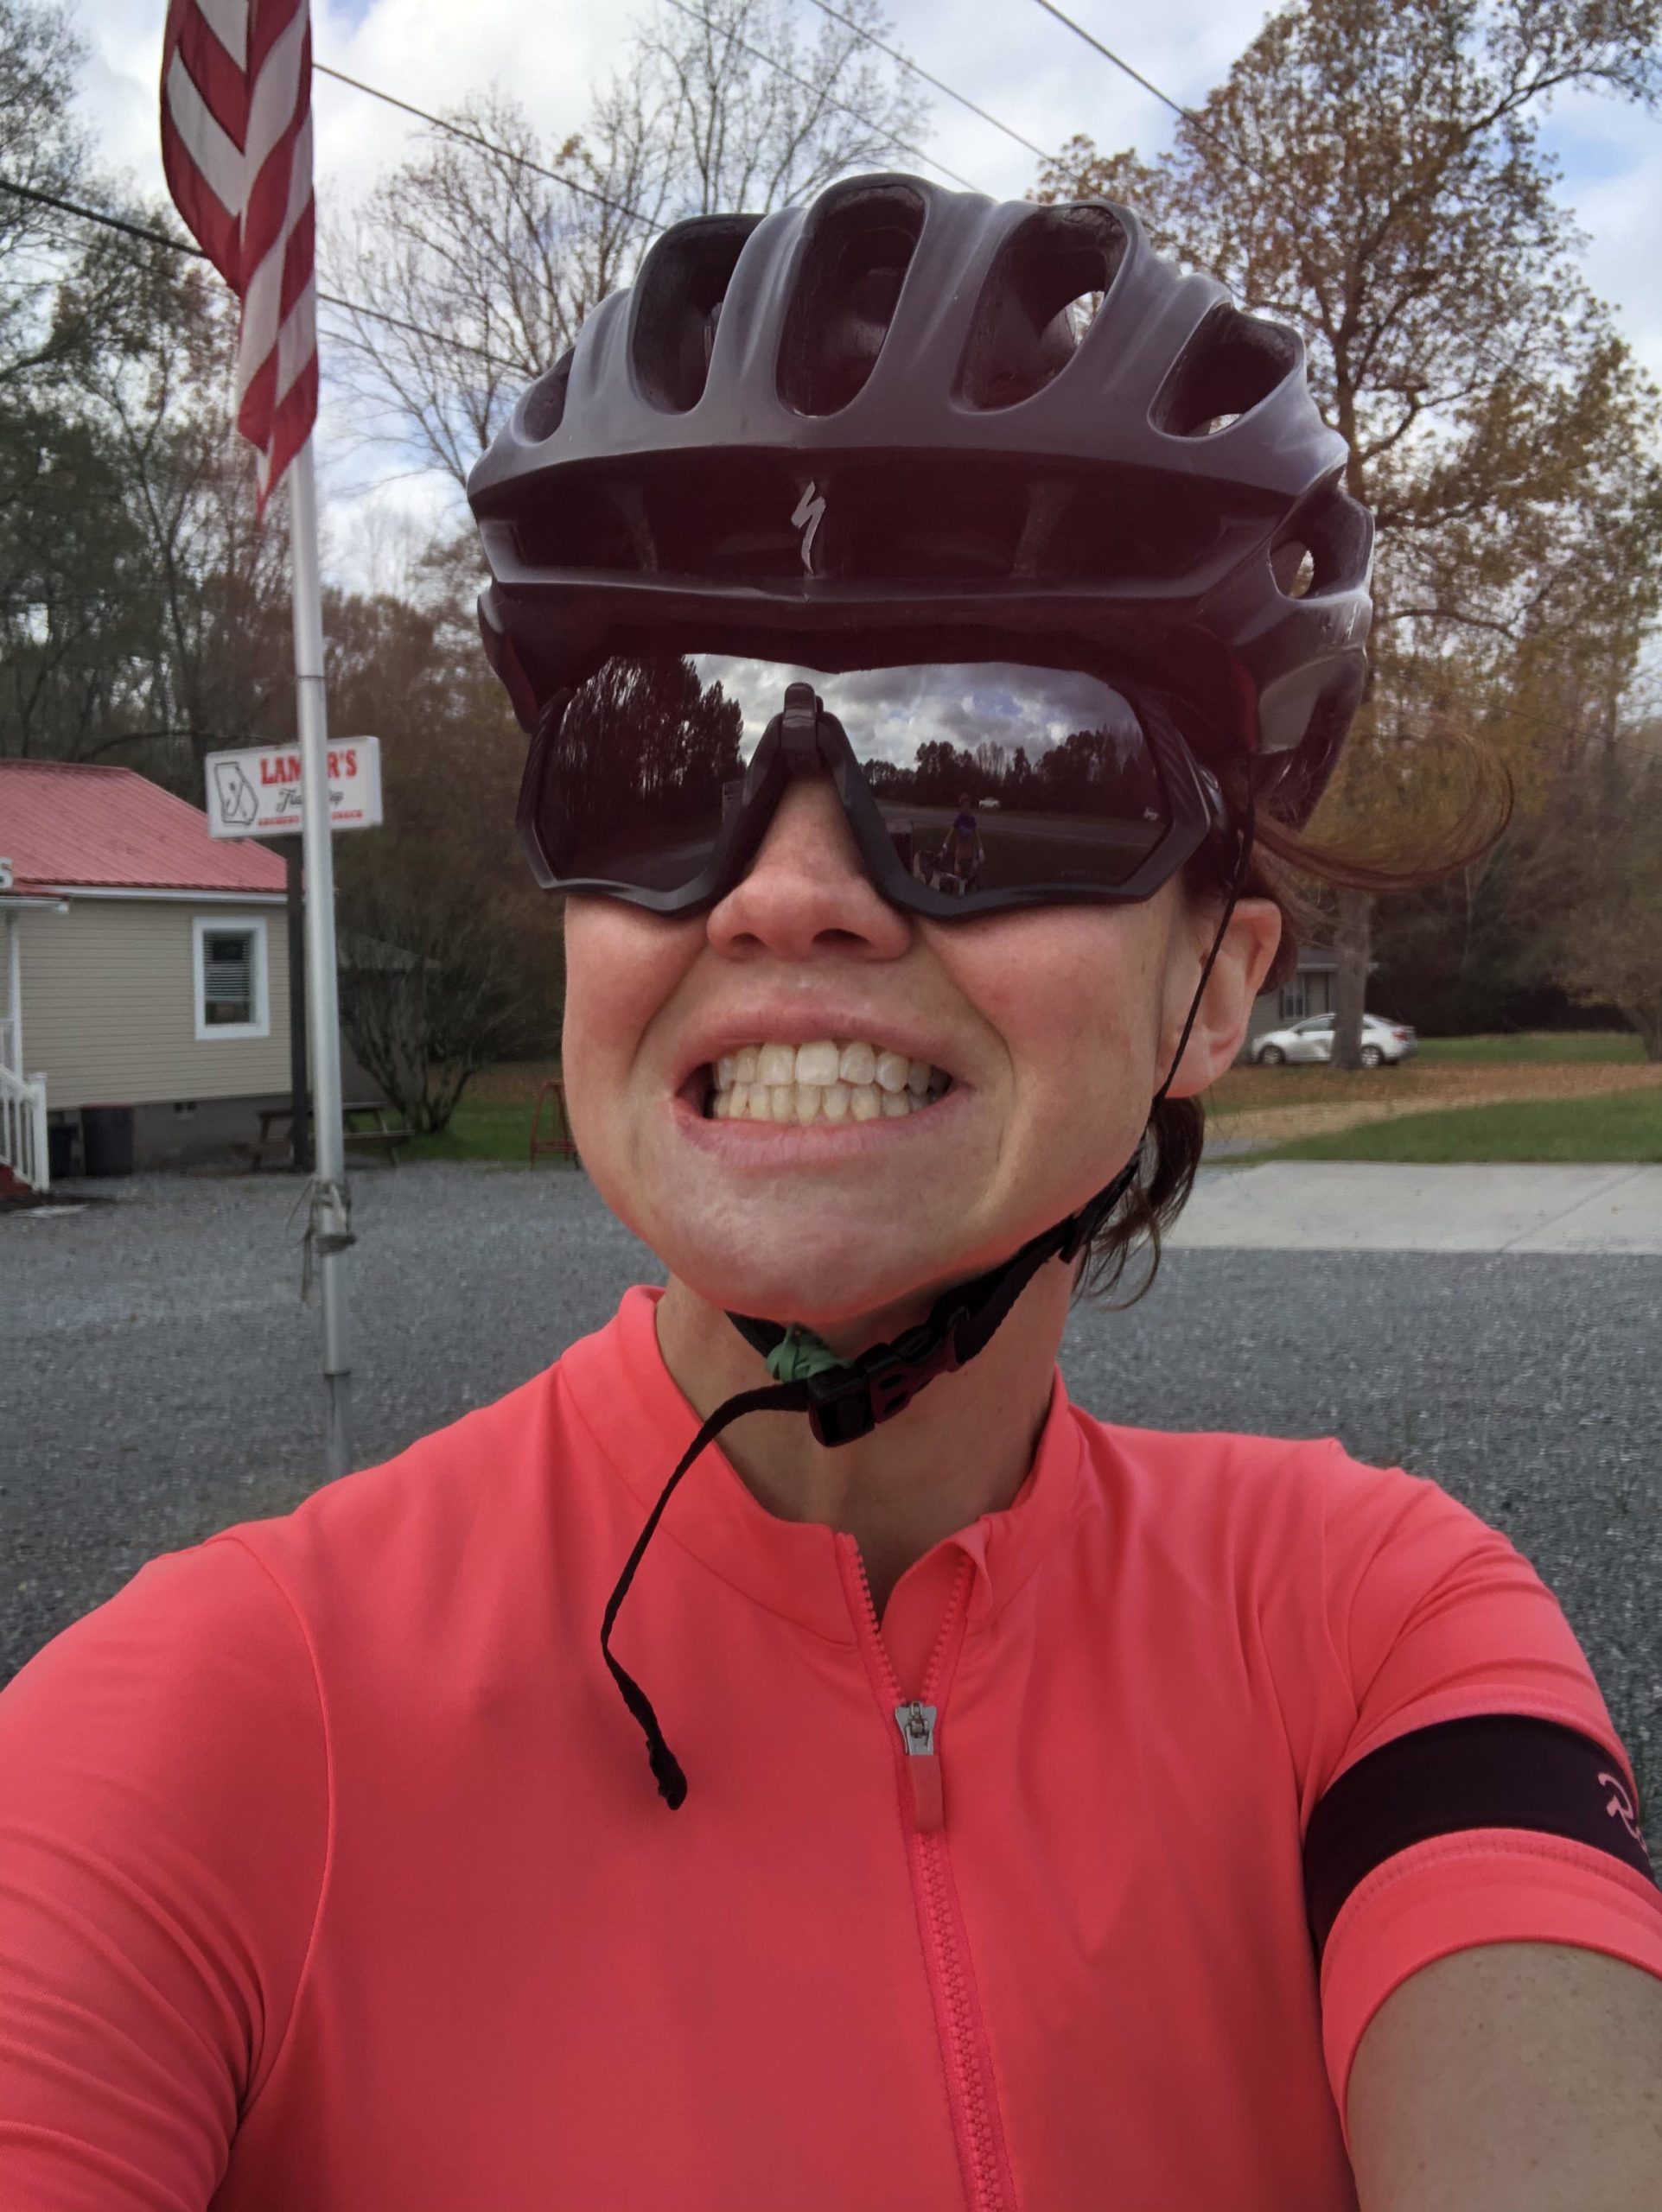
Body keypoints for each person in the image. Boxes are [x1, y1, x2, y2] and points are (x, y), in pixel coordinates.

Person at [2, 176, 1659, 2211]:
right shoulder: (219, 1720)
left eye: (990, 769)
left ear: (1215, 988)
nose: (787, 891)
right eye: (654, 760)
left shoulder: (1365, 1625)